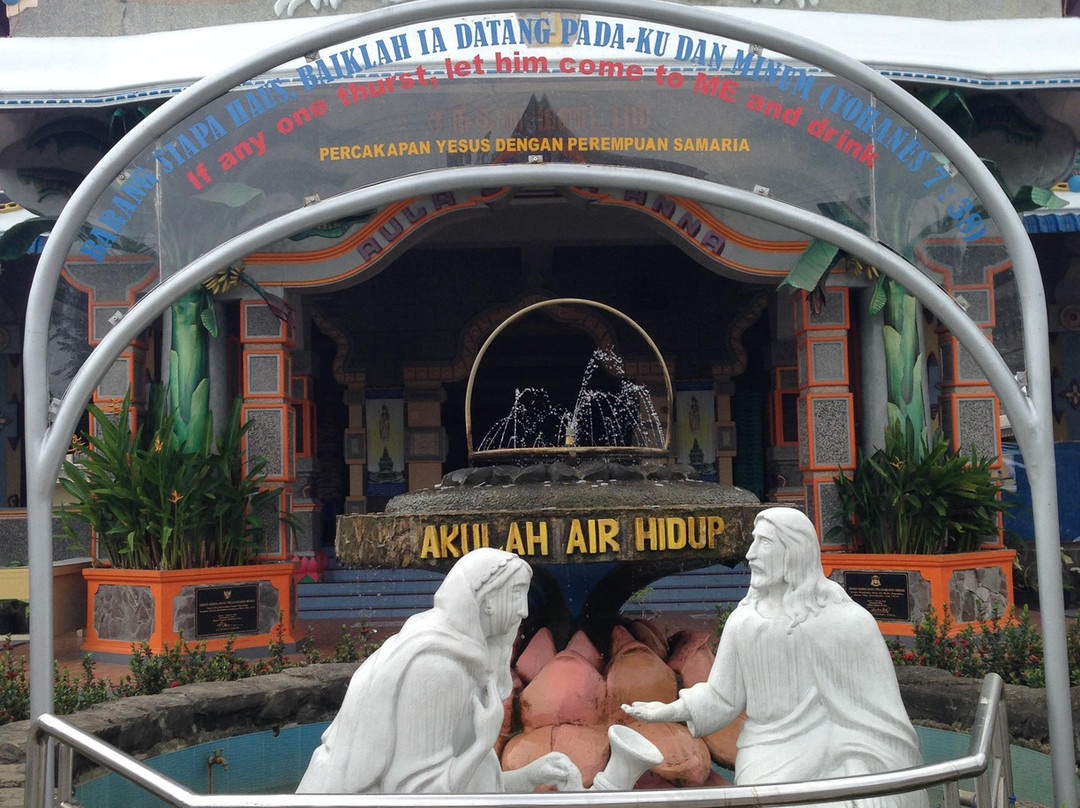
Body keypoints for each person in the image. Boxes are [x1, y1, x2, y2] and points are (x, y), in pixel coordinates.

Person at [623, 507, 926, 808]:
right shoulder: (744, 622)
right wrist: (667, 711)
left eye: (764, 543)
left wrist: (857, 759)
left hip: (839, 752)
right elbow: (722, 698)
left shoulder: (847, 622)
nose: (751, 555)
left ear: (794, 551)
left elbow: (879, 720)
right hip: (766, 754)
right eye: (752, 543)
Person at [297, 547, 582, 794]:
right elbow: (420, 795)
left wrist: (529, 777)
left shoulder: (451, 652)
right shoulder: (439, 669)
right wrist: (482, 743)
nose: (524, 611)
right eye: (516, 594)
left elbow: (459, 786)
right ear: (486, 601)